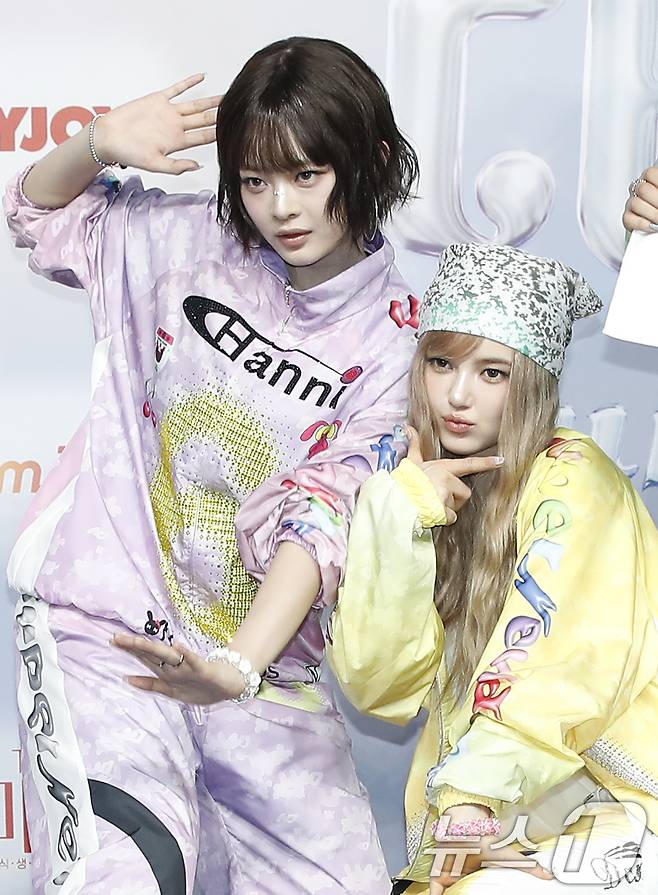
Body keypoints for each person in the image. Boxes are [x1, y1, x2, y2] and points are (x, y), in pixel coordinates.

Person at [5, 37, 421, 895]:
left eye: (307, 174)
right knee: (132, 870)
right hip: (112, 628)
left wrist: (237, 666)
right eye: (256, 181)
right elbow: (37, 212)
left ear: (373, 159)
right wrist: (97, 142)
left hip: (261, 669)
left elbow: (323, 514)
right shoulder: (189, 242)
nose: (280, 207)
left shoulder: (400, 339)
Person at [328, 242, 658, 893]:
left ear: (531, 382)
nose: (457, 395)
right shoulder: (427, 488)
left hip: (624, 799)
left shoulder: (574, 476)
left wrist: (471, 800)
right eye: (442, 363)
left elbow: (554, 662)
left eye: (492, 372)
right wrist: (402, 518)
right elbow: (381, 687)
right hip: (513, 815)